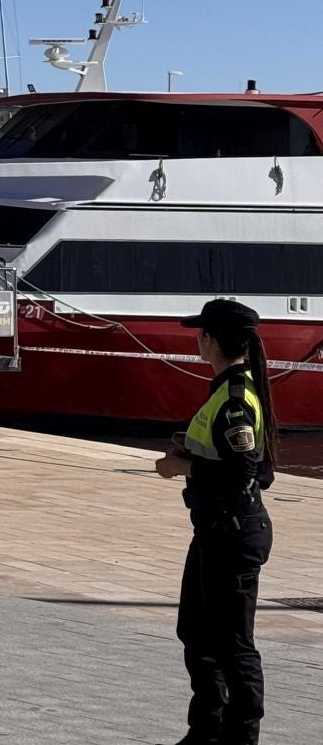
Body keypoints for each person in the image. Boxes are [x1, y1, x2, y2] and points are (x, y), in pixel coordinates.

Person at [155, 299, 277, 745]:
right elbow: (258, 466)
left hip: (233, 529)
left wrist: (180, 468)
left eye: (200, 332)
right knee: (196, 631)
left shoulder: (235, 396)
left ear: (210, 340)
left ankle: (240, 737)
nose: (197, 339)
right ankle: (206, 730)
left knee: (233, 645)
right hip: (214, 527)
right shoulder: (228, 389)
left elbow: (245, 471)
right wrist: (189, 448)